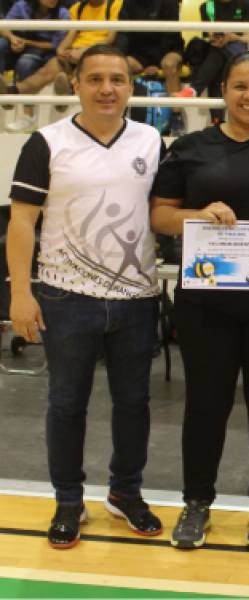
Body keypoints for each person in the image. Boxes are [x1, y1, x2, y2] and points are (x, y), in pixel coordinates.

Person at [150, 51, 249, 550]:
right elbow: (160, 216)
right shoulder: (191, 147)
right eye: (241, 86)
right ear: (224, 90)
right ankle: (196, 503)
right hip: (208, 304)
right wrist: (199, 215)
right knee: (205, 405)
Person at [6, 43, 164, 549]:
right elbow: (22, 223)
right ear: (76, 85)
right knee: (66, 405)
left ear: (130, 86)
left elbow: (166, 211)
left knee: (133, 405)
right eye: (95, 79)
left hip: (137, 299)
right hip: (65, 297)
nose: (106, 88)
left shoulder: (152, 139)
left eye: (116, 79)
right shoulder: (47, 142)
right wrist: (20, 295)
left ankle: (125, 493)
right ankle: (69, 502)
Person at [174, 0, 249, 125]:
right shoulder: (206, 7)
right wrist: (215, 39)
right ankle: (217, 120)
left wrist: (233, 37)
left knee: (217, 56)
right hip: (218, 51)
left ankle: (196, 91)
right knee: (218, 58)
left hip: (241, 49)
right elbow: (209, 36)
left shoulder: (247, 4)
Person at [116, 0, 186, 135]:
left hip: (168, 48)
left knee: (169, 65)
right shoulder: (128, 3)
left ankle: (176, 117)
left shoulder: (169, 2)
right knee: (120, 66)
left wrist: (155, 62)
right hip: (140, 52)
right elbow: (123, 33)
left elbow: (171, 34)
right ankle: (119, 114)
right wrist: (120, 56)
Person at [0, 0, 71, 132]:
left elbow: (55, 45)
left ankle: (28, 116)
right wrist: (12, 38)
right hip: (20, 46)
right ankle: (3, 92)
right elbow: (3, 25)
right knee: (1, 44)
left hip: (46, 53)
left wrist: (25, 43)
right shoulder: (22, 6)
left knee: (25, 63)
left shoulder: (63, 14)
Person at [57, 0, 122, 70]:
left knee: (82, 70)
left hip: (100, 51)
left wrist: (85, 51)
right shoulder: (77, 7)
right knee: (50, 69)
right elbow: (70, 36)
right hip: (74, 51)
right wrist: (60, 49)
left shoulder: (115, 5)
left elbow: (110, 39)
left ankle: (71, 79)